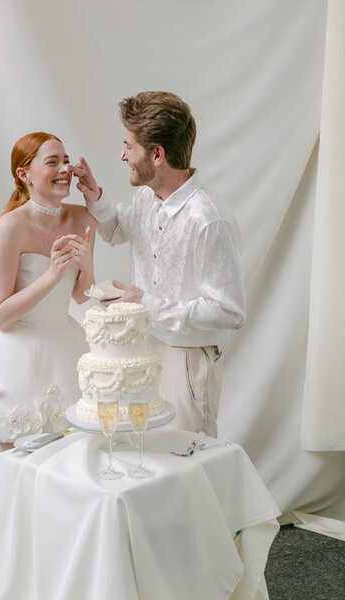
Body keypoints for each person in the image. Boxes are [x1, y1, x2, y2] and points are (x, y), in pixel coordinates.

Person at [72, 91, 246, 437]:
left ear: (157, 154)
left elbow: (229, 312)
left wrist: (144, 303)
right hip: (140, 352)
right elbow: (119, 229)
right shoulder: (145, 198)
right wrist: (94, 196)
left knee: (184, 462)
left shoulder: (208, 219)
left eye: (128, 146)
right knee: (145, 458)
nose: (122, 156)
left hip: (187, 362)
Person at [0, 131, 95, 450]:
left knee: (69, 462)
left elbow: (81, 295)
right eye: (52, 162)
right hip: (14, 357)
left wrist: (88, 266)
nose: (64, 169)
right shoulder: (11, 226)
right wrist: (52, 274)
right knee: (19, 464)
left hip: (65, 349)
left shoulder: (83, 218)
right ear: (24, 174)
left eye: (66, 161)